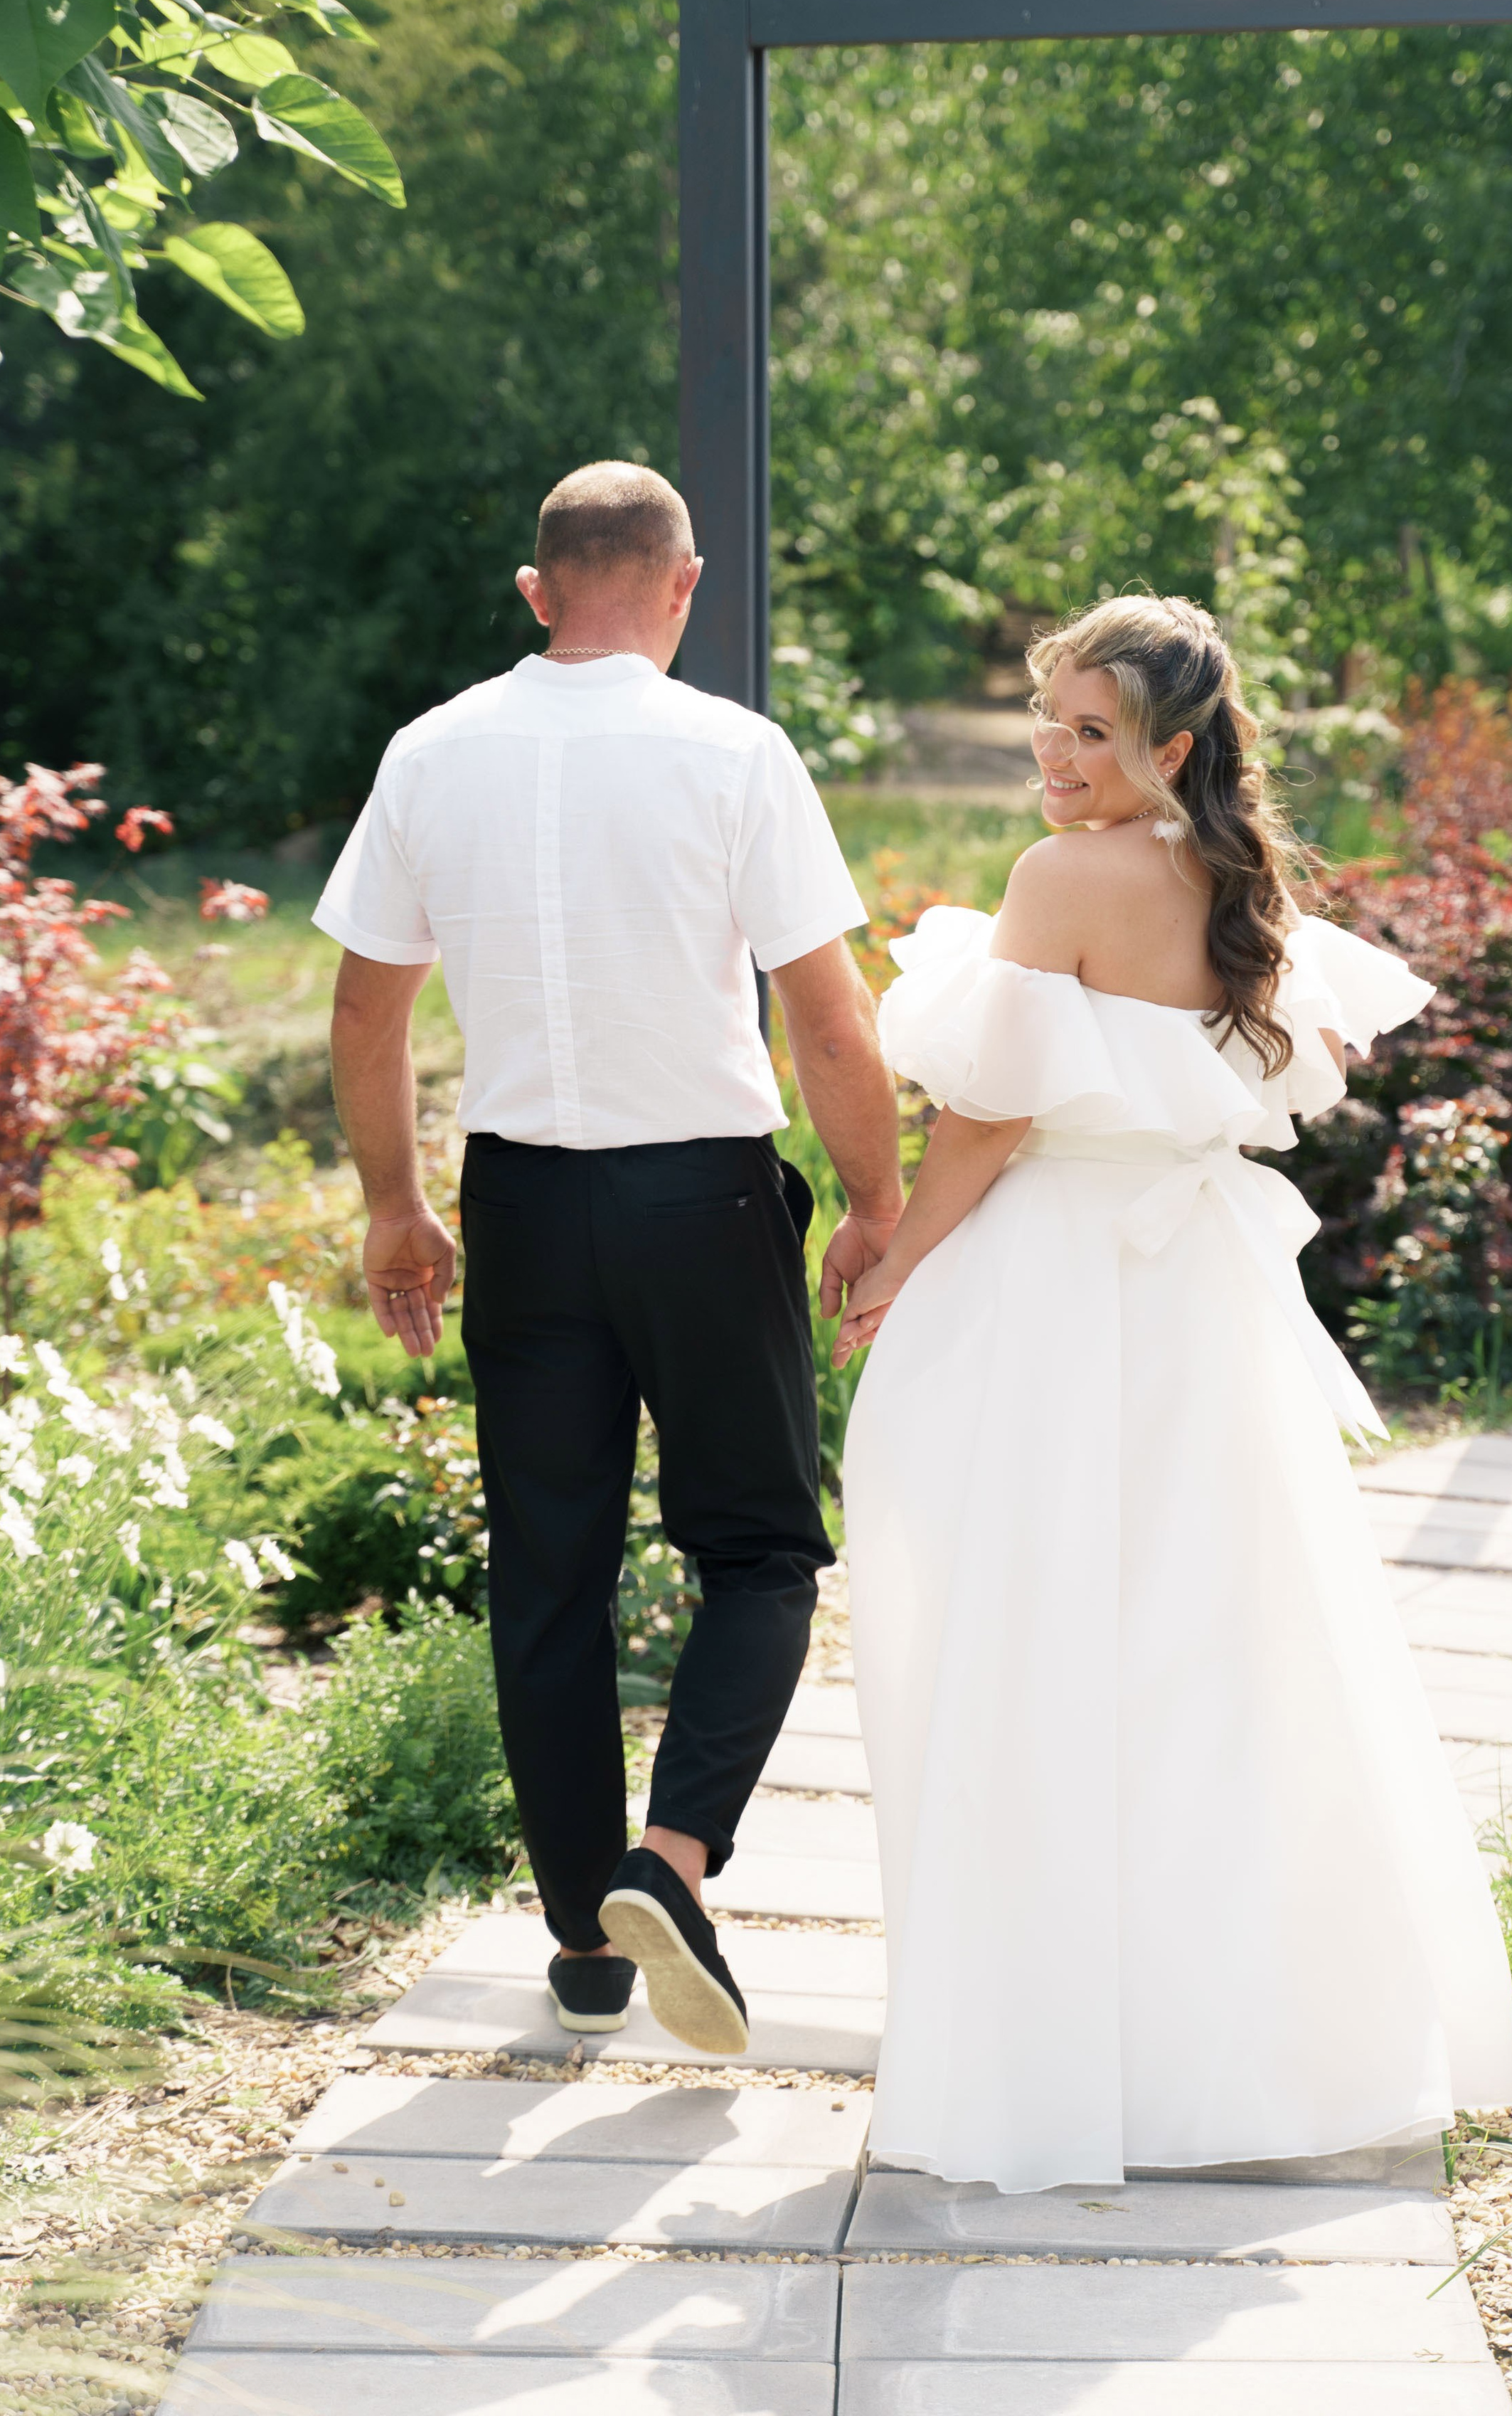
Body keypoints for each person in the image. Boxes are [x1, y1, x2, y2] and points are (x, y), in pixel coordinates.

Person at [834, 592, 1512, 2195]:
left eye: (1092, 732)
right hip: (1196, 1291)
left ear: (1172, 744)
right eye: (1048, 723)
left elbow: (989, 1119)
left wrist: (896, 1266)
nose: (1056, 759)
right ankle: (1241, 2051)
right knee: (1214, 1645)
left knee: (1025, 1634)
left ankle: (1050, 2052)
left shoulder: (1058, 880)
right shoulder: (1237, 880)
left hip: (1059, 1280)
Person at [314, 462, 902, 2057]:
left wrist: (393, 1205)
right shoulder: (732, 754)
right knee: (760, 1552)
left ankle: (583, 1935)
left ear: (533, 591)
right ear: (683, 582)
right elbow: (828, 1016)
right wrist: (874, 1203)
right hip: (702, 1208)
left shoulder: (430, 753)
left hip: (515, 1209)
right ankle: (674, 1855)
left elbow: (367, 1012)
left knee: (550, 1574)